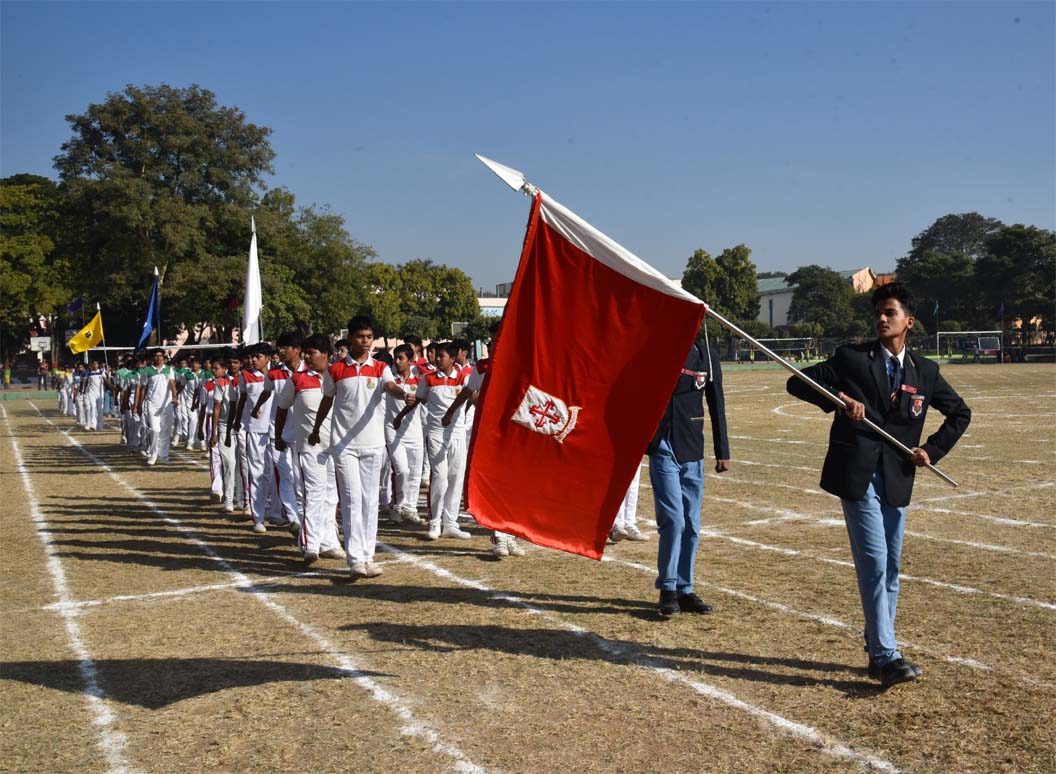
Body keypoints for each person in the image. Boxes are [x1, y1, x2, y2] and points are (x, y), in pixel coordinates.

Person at [786, 282, 971, 688]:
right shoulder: (852, 358)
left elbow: (960, 414)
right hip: (857, 476)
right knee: (874, 562)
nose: (882, 319)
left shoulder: (925, 371)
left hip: (897, 478)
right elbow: (797, 382)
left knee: (891, 567)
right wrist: (839, 398)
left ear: (909, 321)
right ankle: (888, 655)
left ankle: (876, 651)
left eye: (891, 312)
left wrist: (931, 450)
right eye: (879, 313)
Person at [312, 316, 416, 579]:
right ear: (351, 337)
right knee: (351, 501)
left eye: (369, 337)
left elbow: (390, 386)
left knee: (370, 502)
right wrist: (316, 429)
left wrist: (403, 394)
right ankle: (355, 559)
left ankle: (368, 556)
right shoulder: (336, 369)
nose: (366, 341)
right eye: (360, 337)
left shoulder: (380, 367)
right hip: (344, 447)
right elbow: (327, 400)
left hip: (374, 444)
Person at [647, 334, 730, 618]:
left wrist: (722, 450)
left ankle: (685, 589)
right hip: (662, 446)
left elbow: (717, 403)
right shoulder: (658, 348)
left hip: (692, 446)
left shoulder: (707, 354)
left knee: (692, 524)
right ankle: (667, 588)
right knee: (673, 520)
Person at [275, 334, 344, 564]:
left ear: (326, 355)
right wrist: (278, 436)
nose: (307, 357)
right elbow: (282, 408)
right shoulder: (298, 380)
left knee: (331, 496)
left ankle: (329, 542)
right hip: (309, 446)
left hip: (335, 446)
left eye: (312, 353)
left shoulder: (338, 376)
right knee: (314, 494)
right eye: (305, 353)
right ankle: (310, 544)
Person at [398, 342, 472, 541]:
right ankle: (434, 523)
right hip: (436, 432)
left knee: (456, 477)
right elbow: (417, 400)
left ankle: (451, 523)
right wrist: (400, 416)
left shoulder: (463, 378)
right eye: (437, 356)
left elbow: (471, 397)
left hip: (457, 433)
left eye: (442, 356)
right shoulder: (428, 379)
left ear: (453, 358)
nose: (437, 359)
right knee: (439, 476)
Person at [134, 348, 178, 465]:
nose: (158, 358)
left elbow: (172, 384)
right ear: (152, 358)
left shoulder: (169, 369)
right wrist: (139, 405)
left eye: (160, 356)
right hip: (152, 405)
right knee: (154, 430)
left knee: (165, 431)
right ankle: (153, 454)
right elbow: (143, 388)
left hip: (166, 405)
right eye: (156, 356)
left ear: (163, 357)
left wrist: (175, 396)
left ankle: (163, 455)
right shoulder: (147, 371)